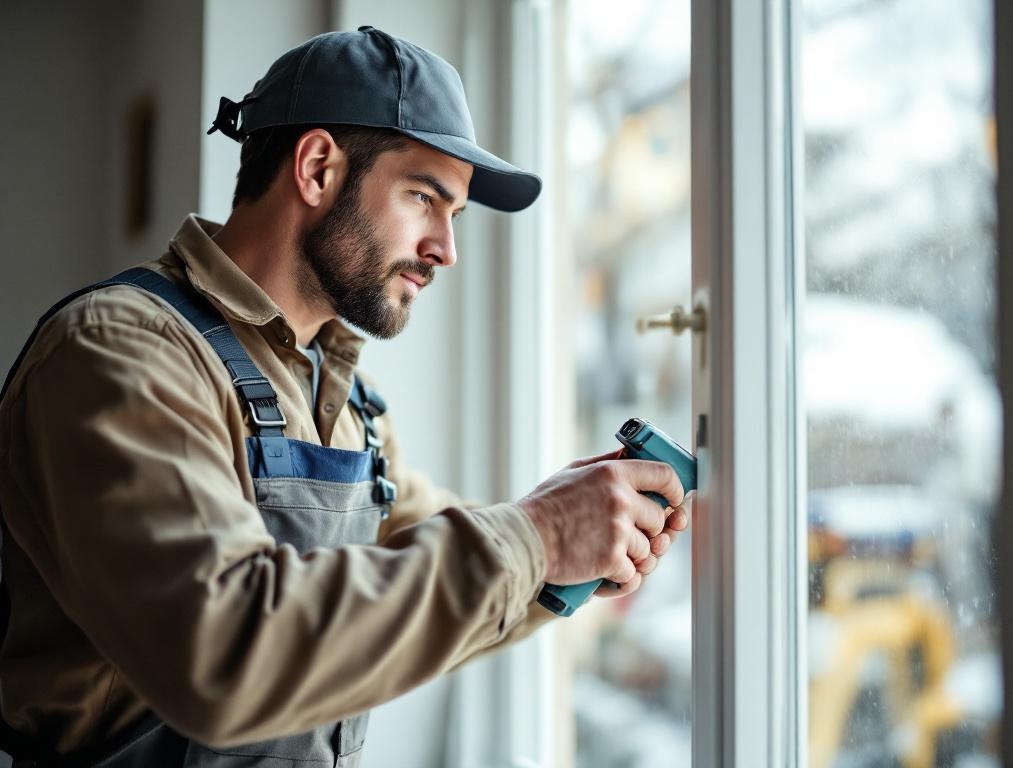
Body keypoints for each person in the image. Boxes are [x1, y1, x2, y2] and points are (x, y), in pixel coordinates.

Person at [0, 27, 689, 766]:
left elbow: (419, 592)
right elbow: (222, 654)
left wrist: (575, 553)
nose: (445, 250)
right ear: (319, 168)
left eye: (454, 216)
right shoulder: (120, 352)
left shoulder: (345, 401)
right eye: (425, 198)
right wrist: (541, 536)